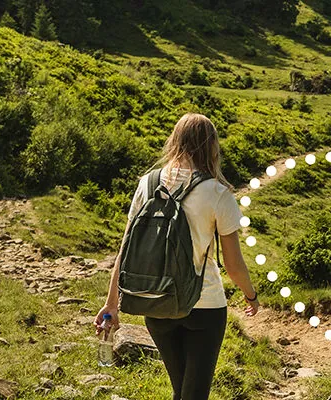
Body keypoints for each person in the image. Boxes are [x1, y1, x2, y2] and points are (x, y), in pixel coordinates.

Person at [94, 113, 259, 400]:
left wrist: (111, 304)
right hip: (205, 306)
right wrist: (251, 295)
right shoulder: (217, 192)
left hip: (155, 301)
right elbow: (233, 264)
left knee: (181, 390)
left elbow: (126, 249)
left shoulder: (148, 184)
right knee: (194, 393)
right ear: (211, 147)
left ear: (175, 141)